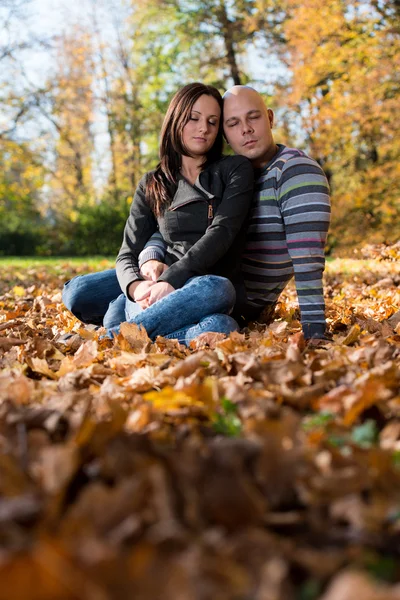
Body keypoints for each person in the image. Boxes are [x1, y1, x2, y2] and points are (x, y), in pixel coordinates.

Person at [63, 85, 330, 340]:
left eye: (213, 122)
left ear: (269, 118)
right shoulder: (157, 181)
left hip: (215, 286)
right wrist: (144, 272)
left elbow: (227, 232)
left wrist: (314, 330)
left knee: (218, 306)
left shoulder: (262, 170)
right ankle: (134, 315)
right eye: (233, 123)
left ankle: (116, 331)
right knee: (78, 291)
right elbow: (150, 235)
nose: (245, 130)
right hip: (165, 280)